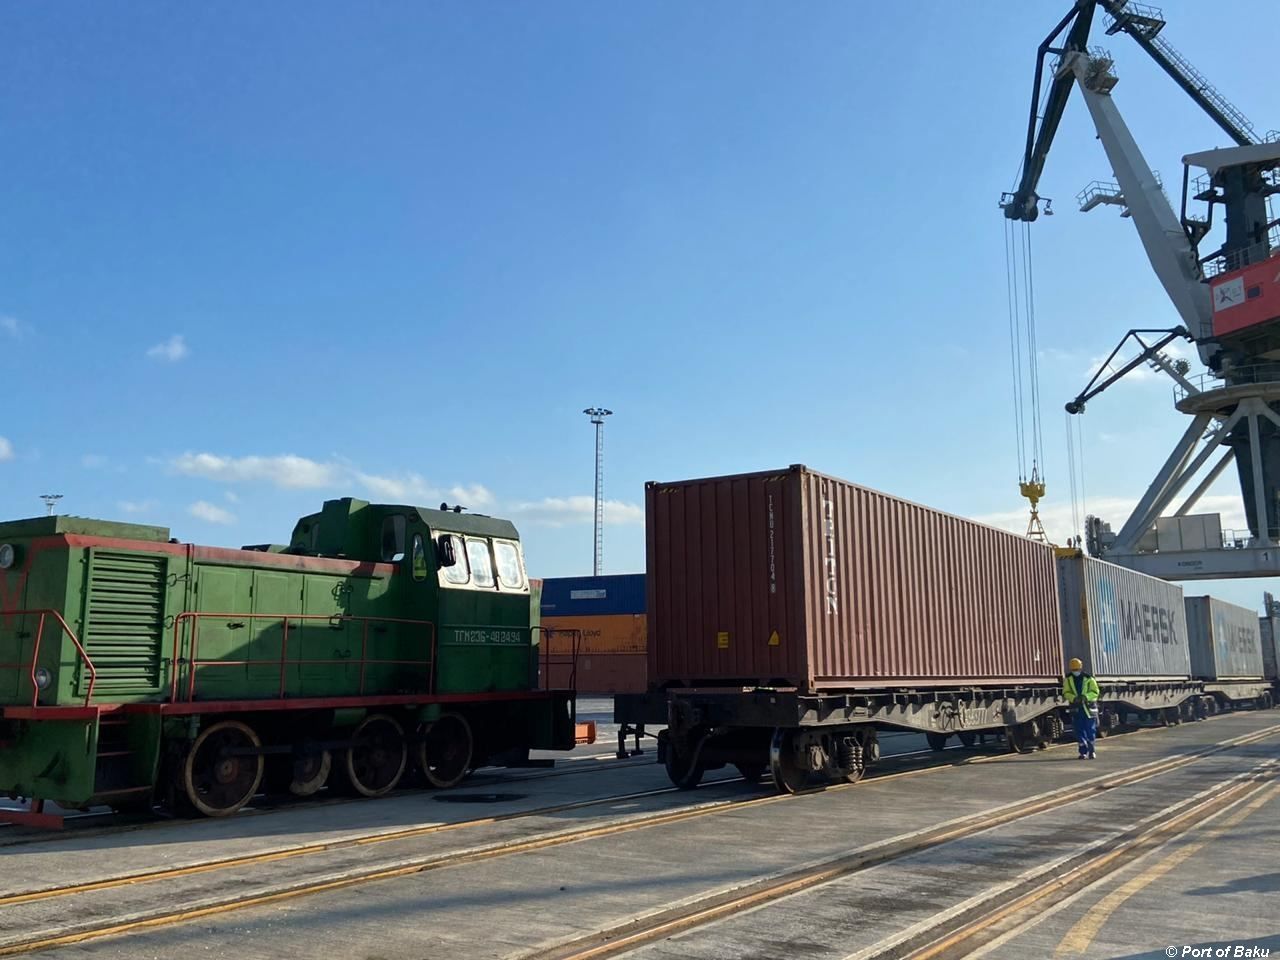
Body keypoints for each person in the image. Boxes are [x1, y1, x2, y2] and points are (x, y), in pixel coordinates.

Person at [1063, 657, 1101, 759]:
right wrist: (1074, 698)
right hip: (1077, 709)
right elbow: (1066, 692)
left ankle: (1092, 751)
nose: (1075, 672)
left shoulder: (1089, 678)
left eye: (1077, 669)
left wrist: (1086, 697)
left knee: (1090, 730)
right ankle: (1082, 752)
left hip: (1088, 708)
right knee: (1079, 731)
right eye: (1073, 670)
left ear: (1080, 668)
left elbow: (1095, 691)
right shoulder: (1068, 679)